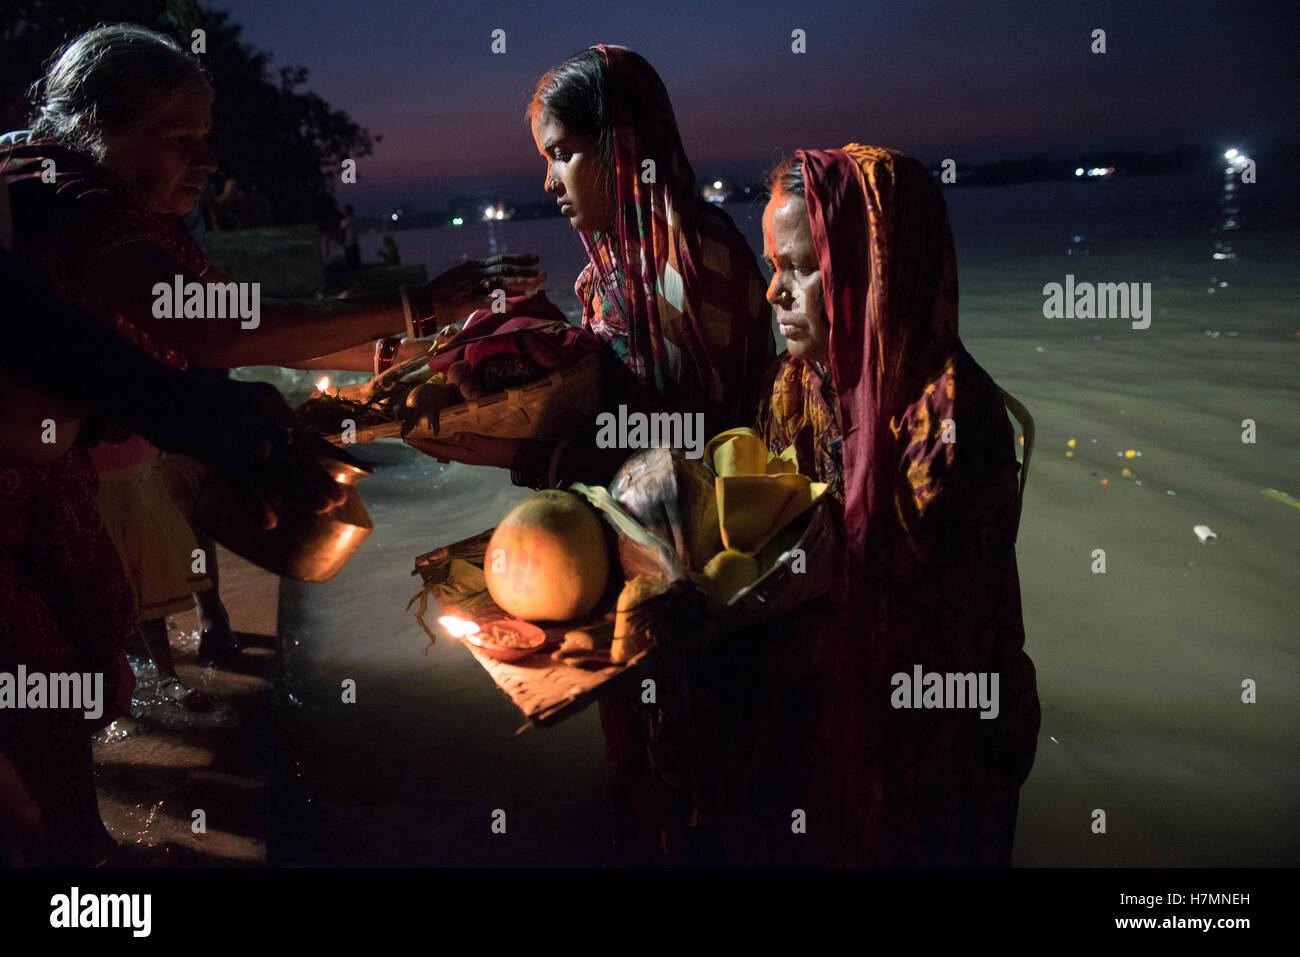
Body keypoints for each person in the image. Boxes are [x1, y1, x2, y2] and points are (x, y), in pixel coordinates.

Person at [0, 177, 345, 865]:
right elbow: (216, 330)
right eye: (180, 136)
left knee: (78, 672)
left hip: (58, 485)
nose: (207, 161)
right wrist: (183, 409)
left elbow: (231, 328)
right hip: (60, 486)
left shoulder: (134, 239)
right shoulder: (76, 214)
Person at [757, 145, 1041, 866]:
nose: (773, 292)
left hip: (941, 759)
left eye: (799, 266)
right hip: (842, 732)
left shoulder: (950, 417)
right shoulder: (800, 386)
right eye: (773, 265)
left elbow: (933, 638)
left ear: (871, 269)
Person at [408, 45, 774, 486]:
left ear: (623, 143)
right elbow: (612, 429)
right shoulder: (605, 278)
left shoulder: (700, 261)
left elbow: (703, 451)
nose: (549, 182)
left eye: (562, 154)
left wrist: (519, 454)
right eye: (546, 160)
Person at [340, 204, 360, 269]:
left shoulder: (345, 221)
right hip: (355, 242)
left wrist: (341, 240)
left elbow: (343, 231)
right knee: (356, 259)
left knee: (350, 259)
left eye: (344, 211)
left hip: (348, 242)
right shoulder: (355, 219)